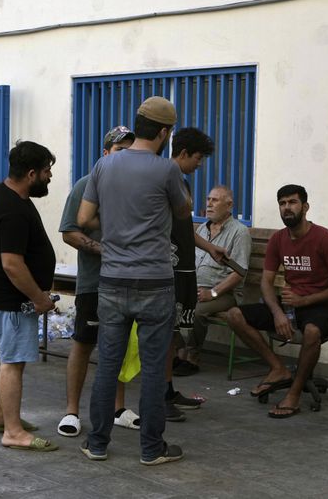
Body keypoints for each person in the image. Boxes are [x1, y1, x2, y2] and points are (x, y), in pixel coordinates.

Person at [78, 96, 189, 465]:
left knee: (108, 364)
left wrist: (114, 225)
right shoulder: (167, 170)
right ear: (164, 132)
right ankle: (151, 449)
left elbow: (84, 218)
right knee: (155, 369)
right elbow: (183, 211)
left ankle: (96, 443)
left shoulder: (104, 165)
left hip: (111, 280)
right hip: (155, 281)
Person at [225, 184, 328, 418]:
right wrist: (277, 313)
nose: (287, 208)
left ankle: (294, 392)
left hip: (320, 307)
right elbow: (266, 282)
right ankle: (278, 368)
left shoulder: (324, 238)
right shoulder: (278, 239)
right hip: (290, 305)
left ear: (305, 207)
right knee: (234, 315)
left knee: (312, 332)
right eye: (282, 203)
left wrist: (304, 301)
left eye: (292, 202)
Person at [57, 126, 139, 438]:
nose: (125, 158)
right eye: (119, 151)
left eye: (130, 152)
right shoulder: (85, 186)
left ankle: (118, 408)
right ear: (106, 154)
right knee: (83, 344)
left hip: (128, 282)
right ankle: (72, 412)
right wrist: (103, 249)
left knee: (118, 346)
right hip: (94, 284)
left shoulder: (135, 190)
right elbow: (69, 231)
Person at [0, 140, 59, 452]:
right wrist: (39, 297)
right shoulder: (11, 208)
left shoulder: (8, 195)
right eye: (46, 171)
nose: (49, 177)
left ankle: (2, 416)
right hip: (10, 300)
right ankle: (12, 431)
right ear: (30, 174)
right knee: (12, 362)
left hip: (7, 298)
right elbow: (12, 264)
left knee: (11, 358)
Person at [162, 127, 221, 421]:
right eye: (197, 158)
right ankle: (160, 396)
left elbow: (185, 228)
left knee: (174, 333)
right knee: (165, 333)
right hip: (168, 269)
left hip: (184, 267)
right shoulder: (163, 179)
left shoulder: (181, 182)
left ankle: (169, 389)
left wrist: (210, 247)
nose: (199, 164)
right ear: (183, 153)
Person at [174, 185, 252, 375]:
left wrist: (213, 292)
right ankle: (179, 351)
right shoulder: (202, 228)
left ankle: (192, 356)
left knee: (197, 312)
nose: (209, 204)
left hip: (224, 293)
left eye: (215, 200)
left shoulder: (239, 232)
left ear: (229, 205)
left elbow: (240, 272)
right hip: (196, 288)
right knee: (167, 305)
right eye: (208, 199)